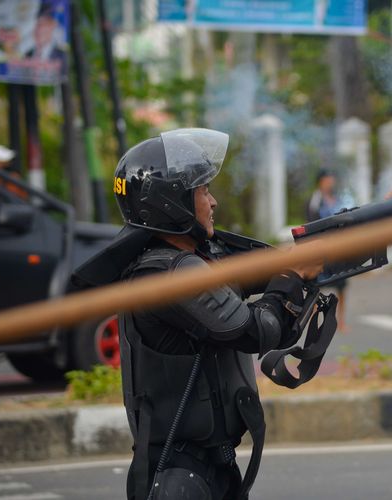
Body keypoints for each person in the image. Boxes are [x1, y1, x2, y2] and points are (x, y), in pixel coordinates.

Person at [72, 128, 326, 500]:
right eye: (203, 191)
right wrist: (290, 277)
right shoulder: (170, 273)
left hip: (204, 469)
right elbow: (254, 330)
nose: (213, 201)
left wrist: (290, 263)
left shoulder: (184, 262)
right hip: (179, 477)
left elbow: (246, 276)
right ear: (173, 202)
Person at [306, 169, 354, 332]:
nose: (330, 182)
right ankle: (312, 321)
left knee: (342, 286)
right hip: (321, 250)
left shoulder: (338, 198)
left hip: (338, 250)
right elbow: (310, 224)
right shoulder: (315, 200)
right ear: (321, 181)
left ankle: (341, 321)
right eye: (327, 179)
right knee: (316, 287)